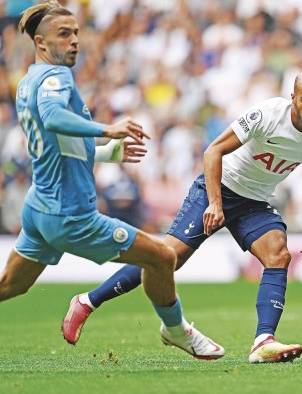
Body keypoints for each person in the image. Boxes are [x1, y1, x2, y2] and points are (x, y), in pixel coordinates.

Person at [0, 1, 224, 361]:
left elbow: (55, 145)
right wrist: (108, 129)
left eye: (75, 32)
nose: (74, 40)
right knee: (162, 257)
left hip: (38, 207)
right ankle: (177, 330)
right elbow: (54, 118)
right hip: (70, 216)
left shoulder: (28, 81)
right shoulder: (57, 78)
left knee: (11, 285)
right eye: (64, 34)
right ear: (40, 43)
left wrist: (106, 153)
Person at [62, 69, 302, 363]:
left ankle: (263, 341)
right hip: (217, 187)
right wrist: (215, 204)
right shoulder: (268, 115)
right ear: (292, 97)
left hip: (254, 202)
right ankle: (87, 301)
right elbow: (213, 151)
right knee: (166, 257)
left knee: (278, 254)